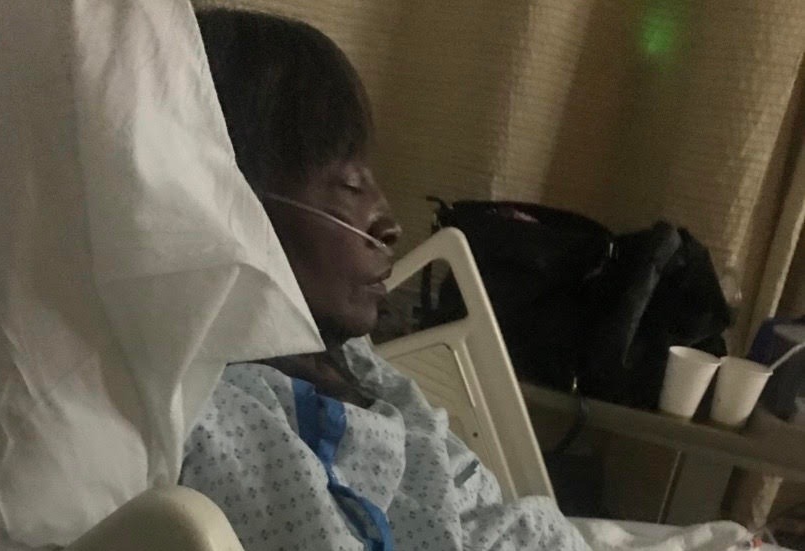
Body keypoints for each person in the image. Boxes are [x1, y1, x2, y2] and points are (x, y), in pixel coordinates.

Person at [181, 8, 591, 551]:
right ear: (231, 200)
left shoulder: (351, 366)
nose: (390, 225)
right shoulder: (230, 423)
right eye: (350, 183)